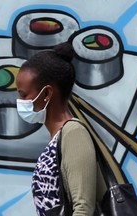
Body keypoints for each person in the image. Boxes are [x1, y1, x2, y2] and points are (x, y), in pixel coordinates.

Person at [15, 42, 97, 215]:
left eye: (23, 94)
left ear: (46, 94)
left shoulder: (74, 133)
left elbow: (83, 208)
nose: (19, 101)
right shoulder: (58, 139)